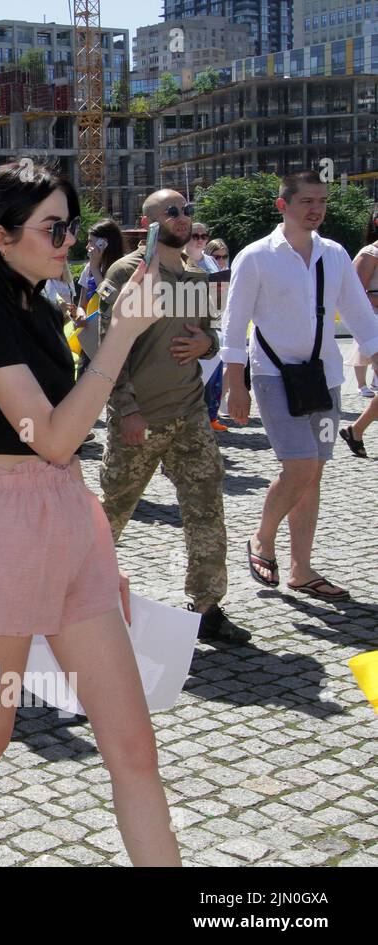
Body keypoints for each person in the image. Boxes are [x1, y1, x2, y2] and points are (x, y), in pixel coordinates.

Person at [0, 160, 180, 866]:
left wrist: (95, 553)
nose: (68, 239)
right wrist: (121, 335)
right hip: (6, 542)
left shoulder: (37, 308)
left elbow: (62, 456)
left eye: (71, 225)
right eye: (53, 227)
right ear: (3, 236)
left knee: (134, 744)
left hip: (68, 526)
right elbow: (49, 436)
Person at [96, 189, 249, 645]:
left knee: (206, 511)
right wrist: (126, 410)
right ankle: (73, 600)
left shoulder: (196, 276)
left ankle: (206, 606)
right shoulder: (128, 273)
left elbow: (207, 336)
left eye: (187, 212)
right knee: (110, 516)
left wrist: (209, 346)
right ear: (149, 223)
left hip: (189, 414)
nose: (183, 219)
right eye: (172, 212)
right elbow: (105, 352)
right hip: (140, 418)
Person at [223, 171, 378, 601]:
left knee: (314, 474)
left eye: (322, 201)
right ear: (283, 205)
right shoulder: (255, 256)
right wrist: (236, 386)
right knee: (300, 467)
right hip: (274, 378)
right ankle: (261, 538)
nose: (316, 209)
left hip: (324, 379)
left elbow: (361, 318)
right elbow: (234, 328)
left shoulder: (334, 254)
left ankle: (301, 569)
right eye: (307, 200)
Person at [76, 219, 126, 366]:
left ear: (103, 244)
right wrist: (80, 314)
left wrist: (96, 268)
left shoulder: (121, 269)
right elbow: (81, 303)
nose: (87, 246)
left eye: (91, 242)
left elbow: (109, 298)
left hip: (112, 339)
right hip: (91, 340)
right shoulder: (89, 269)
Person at [343, 220, 378, 400]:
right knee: (366, 344)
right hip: (371, 309)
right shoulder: (369, 253)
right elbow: (355, 290)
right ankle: (361, 383)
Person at [203, 238, 232, 430]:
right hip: (206, 326)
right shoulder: (203, 265)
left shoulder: (216, 268)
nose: (221, 260)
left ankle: (213, 415)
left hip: (220, 325)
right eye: (217, 256)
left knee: (217, 377)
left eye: (224, 257)